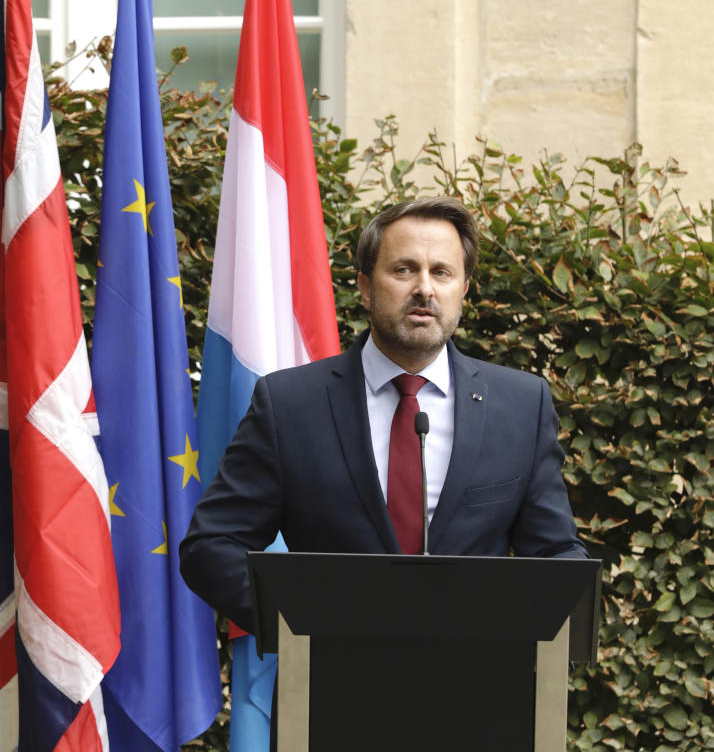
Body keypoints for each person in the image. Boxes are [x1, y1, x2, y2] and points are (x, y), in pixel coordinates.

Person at [179, 196, 587, 632]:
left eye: (442, 272)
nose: (425, 289)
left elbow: (557, 557)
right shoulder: (290, 404)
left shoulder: (521, 405)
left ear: (464, 289)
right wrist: (307, 621)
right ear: (365, 286)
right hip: (328, 686)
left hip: (479, 682)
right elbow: (212, 546)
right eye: (403, 269)